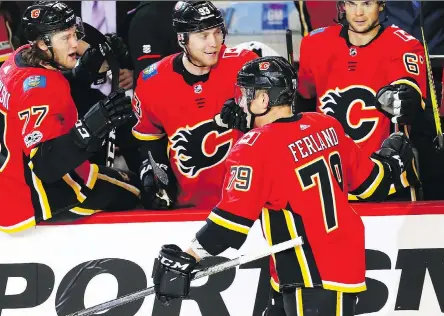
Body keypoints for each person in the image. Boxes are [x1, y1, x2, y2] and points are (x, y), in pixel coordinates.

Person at [151, 57, 420, 316]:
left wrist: (188, 257)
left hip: (312, 275)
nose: (241, 102)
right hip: (314, 270)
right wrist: (392, 157)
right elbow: (372, 183)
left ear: (264, 99)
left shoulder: (252, 148)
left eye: (247, 94)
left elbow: (230, 224)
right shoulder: (325, 124)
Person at [220, 0, 428, 200]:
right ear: (342, 5)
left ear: (381, 5)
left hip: (386, 178)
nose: (358, 13)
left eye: (367, 3)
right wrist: (251, 114)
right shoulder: (316, 43)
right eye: (351, 3)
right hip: (327, 181)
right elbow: (298, 106)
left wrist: (403, 97)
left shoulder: (404, 45)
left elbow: (411, 98)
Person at [0, 1, 140, 234]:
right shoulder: (41, 88)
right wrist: (92, 126)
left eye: (74, 35)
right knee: (135, 190)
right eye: (65, 38)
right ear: (42, 43)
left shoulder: (18, 60)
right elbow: (46, 166)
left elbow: (54, 93)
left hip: (7, 187)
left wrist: (86, 69)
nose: (75, 43)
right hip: (39, 198)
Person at [132, 1, 258, 210]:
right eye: (203, 35)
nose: (213, 43)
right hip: (187, 206)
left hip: (246, 202)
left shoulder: (245, 65)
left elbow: (280, 126)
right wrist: (152, 172)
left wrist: (252, 121)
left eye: (217, 32)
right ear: (182, 38)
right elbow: (149, 139)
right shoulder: (152, 80)